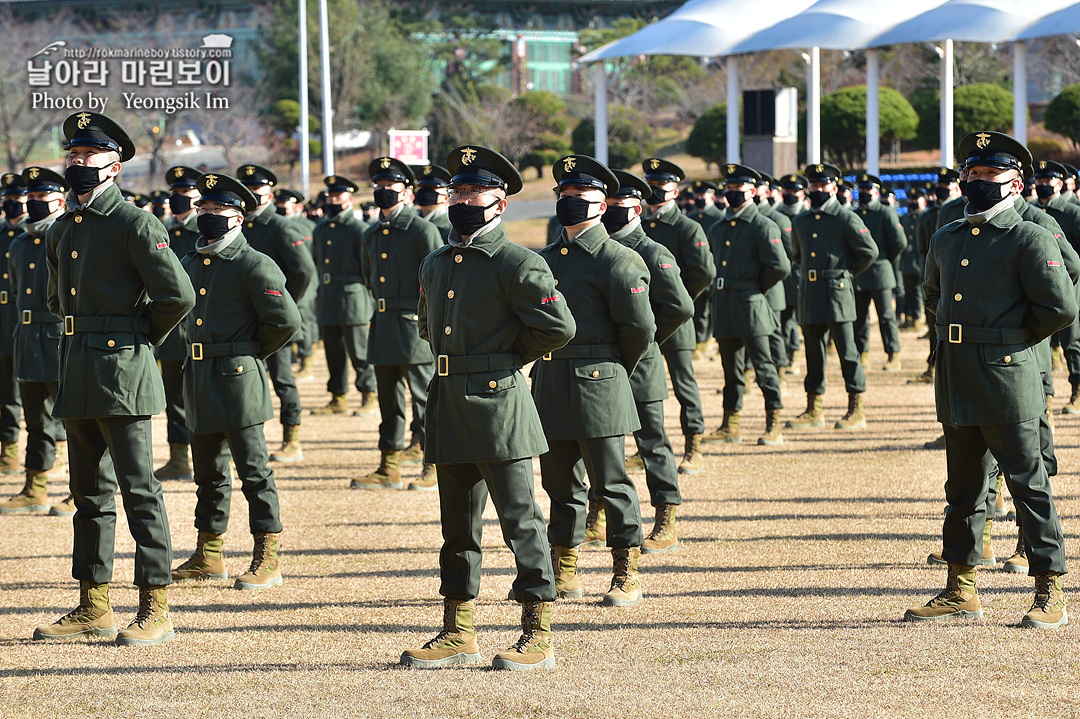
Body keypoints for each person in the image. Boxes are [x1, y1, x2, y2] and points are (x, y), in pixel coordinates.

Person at [400, 145, 575, 672]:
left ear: (500, 203)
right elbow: (428, 325)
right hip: (449, 402)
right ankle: (459, 630)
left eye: (476, 193)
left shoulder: (517, 262)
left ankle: (536, 628)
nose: (464, 201)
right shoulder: (435, 260)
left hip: (499, 403)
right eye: (459, 192)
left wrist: (502, 362)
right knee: (457, 524)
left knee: (521, 520)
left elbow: (557, 327)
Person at [34, 112, 196, 646]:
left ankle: (156, 606)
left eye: (88, 157)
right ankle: (93, 602)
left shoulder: (136, 224)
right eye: (72, 156)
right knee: (88, 495)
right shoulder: (63, 227)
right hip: (77, 366)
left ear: (116, 164)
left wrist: (134, 336)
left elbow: (178, 295)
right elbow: (58, 300)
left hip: (122, 369)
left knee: (139, 490)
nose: (77, 164)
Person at [906, 131, 1075, 630]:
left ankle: (1050, 588)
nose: (977, 182)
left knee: (1028, 483)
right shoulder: (948, 235)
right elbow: (931, 292)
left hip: (1006, 375)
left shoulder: (1029, 236)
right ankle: (961, 586)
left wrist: (1008, 340)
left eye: (989, 174)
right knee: (963, 487)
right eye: (971, 174)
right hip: (957, 374)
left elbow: (1060, 307)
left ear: (1015, 182)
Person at [533, 155, 654, 609]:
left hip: (600, 382)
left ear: (602, 206)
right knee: (560, 483)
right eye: (564, 196)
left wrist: (611, 369)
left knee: (611, 481)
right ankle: (565, 566)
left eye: (581, 198)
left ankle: (626, 569)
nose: (570, 204)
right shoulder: (543, 260)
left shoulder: (618, 260)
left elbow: (640, 331)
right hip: (551, 380)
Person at [170, 173, 301, 591]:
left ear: (239, 217)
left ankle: (268, 556)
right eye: (203, 209)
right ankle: (209, 554)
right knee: (208, 472)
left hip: (238, 378)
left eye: (218, 210)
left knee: (254, 471)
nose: (208, 216)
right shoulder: (189, 262)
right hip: (199, 378)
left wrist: (247, 353)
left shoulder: (254, 264)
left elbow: (284, 322)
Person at [606, 169, 693, 553]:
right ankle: (595, 516)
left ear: (637, 209)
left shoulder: (653, 251)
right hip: (602, 366)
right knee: (601, 444)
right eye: (605, 204)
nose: (609, 211)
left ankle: (666, 516)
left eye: (617, 205)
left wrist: (646, 340)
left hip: (641, 364)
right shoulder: (596, 247)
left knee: (652, 441)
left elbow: (679, 306)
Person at [352, 159, 441, 491]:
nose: (383, 193)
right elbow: (367, 275)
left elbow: (435, 280)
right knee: (387, 399)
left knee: (424, 399)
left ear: (407, 192)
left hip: (412, 324)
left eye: (391, 188)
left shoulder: (422, 230)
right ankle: (388, 464)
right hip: (383, 323)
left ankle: (432, 463)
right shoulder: (372, 232)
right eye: (378, 187)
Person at [785, 163, 877, 431]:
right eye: (813, 185)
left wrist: (844, 274)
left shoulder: (845, 218)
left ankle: (856, 408)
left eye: (823, 185)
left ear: (834, 188)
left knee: (848, 353)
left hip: (837, 293)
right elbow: (797, 255)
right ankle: (814, 409)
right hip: (810, 293)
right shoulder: (800, 221)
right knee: (813, 353)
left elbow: (868, 251)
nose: (817, 189)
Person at [703, 164, 790, 446]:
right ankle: (731, 424)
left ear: (752, 192)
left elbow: (779, 266)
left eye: (737, 190)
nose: (731, 194)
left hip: (751, 304)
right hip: (725, 304)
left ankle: (773, 421)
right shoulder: (717, 228)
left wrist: (754, 287)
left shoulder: (763, 225)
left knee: (764, 367)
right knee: (731, 370)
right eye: (728, 189)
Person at [0, 167, 70, 515]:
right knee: (36, 419)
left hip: (58, 336)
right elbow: (16, 292)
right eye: (31, 197)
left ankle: (84, 488)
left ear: (59, 199)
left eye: (41, 197)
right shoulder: (20, 242)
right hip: (27, 336)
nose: (32, 202)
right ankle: (35, 486)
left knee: (76, 419)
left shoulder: (67, 234)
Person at [236, 164, 317, 463]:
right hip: (244, 318)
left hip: (271, 320)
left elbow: (304, 271)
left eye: (256, 192)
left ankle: (291, 439)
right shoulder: (241, 225)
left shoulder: (280, 226)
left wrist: (284, 306)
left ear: (269, 194)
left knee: (282, 379)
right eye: (247, 193)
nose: (251, 197)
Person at [639, 158, 715, 474]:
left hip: (675, 322)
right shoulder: (639, 226)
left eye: (660, 187)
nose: (653, 192)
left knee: (684, 384)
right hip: (643, 319)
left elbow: (703, 273)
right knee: (643, 386)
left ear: (675, 190)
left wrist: (677, 300)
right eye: (649, 186)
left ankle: (693, 444)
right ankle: (648, 447)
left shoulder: (687, 227)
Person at [309, 175, 378, 419]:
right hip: (328, 296)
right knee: (333, 351)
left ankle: (369, 394)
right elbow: (317, 261)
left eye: (338, 197)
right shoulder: (321, 228)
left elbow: (367, 267)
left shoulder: (359, 229)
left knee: (360, 352)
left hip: (353, 297)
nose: (333, 200)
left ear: (349, 200)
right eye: (330, 196)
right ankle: (338, 396)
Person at [152, 166, 202, 482]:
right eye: (175, 193)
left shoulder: (206, 232)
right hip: (173, 333)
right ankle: (179, 458)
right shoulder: (165, 231)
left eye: (184, 193)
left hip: (202, 331)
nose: (177, 199)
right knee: (175, 401)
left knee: (204, 398)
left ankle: (212, 456)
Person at [1032, 160, 1080, 413]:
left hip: (1071, 285)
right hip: (1038, 286)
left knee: (1072, 341)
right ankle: (1046, 395)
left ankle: (1077, 390)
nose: (1041, 186)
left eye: (1046, 181)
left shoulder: (1073, 212)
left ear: (1059, 184)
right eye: (1038, 181)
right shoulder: (1030, 211)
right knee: (1040, 341)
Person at [852, 173, 907, 372]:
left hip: (881, 270)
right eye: (862, 190)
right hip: (859, 273)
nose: (864, 194)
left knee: (886, 316)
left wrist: (885, 259)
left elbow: (899, 241)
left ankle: (893, 354)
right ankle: (862, 353)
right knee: (859, 317)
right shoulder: (855, 213)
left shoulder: (885, 212)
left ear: (876, 192)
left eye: (868, 190)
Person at [275, 188, 319, 379]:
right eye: (280, 203)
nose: (283, 207)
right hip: (286, 280)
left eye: (286, 203)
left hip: (305, 281)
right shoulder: (277, 226)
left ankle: (306, 358)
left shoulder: (307, 226)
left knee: (305, 320)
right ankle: (291, 355)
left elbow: (312, 257)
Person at [0, 173, 27, 475]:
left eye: (17, 199)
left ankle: (53, 451)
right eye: (7, 199)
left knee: (38, 390)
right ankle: (8, 448)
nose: (11, 205)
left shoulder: (39, 236)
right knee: (6, 389)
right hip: (3, 322)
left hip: (29, 322)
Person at [686, 179, 722, 359]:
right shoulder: (691, 219)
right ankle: (699, 340)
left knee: (713, 309)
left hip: (715, 271)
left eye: (703, 195)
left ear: (712, 196)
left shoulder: (719, 218)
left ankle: (707, 339)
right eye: (697, 195)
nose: (700, 198)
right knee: (698, 308)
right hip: (696, 273)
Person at [777, 173, 808, 374]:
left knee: (804, 319)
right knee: (785, 320)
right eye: (787, 191)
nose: (791, 195)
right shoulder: (776, 215)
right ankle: (790, 356)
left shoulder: (808, 215)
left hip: (803, 274)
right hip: (782, 277)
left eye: (795, 191)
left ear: (802, 194)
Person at [898, 186, 928, 331]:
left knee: (922, 293)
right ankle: (909, 317)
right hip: (908, 260)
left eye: (916, 199)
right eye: (911, 199)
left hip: (922, 260)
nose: (913, 202)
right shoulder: (904, 218)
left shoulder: (926, 217)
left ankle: (922, 320)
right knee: (908, 291)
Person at [412, 164, 453, 242]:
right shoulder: (412, 223)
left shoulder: (450, 229)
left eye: (431, 188)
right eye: (422, 187)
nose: (424, 192)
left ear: (445, 197)